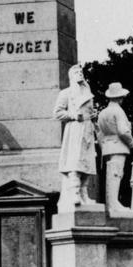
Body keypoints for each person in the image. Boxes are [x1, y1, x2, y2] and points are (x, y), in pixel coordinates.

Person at [53, 64, 97, 211]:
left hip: (87, 129)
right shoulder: (66, 93)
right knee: (75, 162)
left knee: (87, 163)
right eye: (76, 72)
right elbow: (57, 113)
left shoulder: (87, 92)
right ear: (71, 76)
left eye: (81, 72)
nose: (80, 74)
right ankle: (75, 193)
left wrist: (93, 115)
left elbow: (89, 110)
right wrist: (72, 116)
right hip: (75, 129)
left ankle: (84, 194)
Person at [97, 82, 133, 217]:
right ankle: (113, 204)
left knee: (112, 175)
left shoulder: (103, 112)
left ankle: (112, 203)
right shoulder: (118, 111)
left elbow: (99, 133)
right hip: (118, 147)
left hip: (107, 147)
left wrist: (104, 147)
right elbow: (123, 131)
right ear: (119, 97)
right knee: (116, 175)